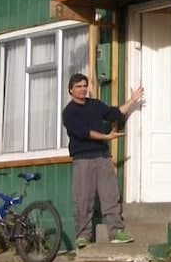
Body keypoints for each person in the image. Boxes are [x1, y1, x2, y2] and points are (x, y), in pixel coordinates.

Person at [62, 73, 144, 247]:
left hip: (102, 157)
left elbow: (115, 114)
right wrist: (106, 137)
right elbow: (84, 132)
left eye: (85, 86)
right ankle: (83, 235)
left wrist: (132, 100)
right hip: (83, 159)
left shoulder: (95, 105)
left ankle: (116, 232)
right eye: (78, 86)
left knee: (110, 195)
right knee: (83, 199)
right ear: (71, 90)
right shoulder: (69, 112)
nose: (83, 89)